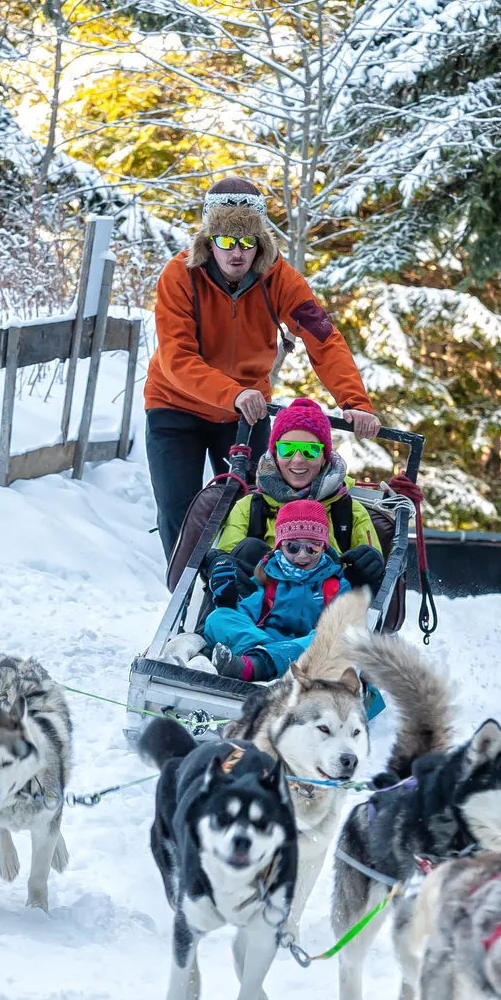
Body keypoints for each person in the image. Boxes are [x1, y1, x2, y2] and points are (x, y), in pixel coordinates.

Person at [144, 176, 381, 559]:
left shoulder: (280, 279)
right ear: (209, 240)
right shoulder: (180, 275)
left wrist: (354, 401)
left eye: (246, 242)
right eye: (225, 241)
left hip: (247, 413)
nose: (236, 253)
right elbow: (177, 358)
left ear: (261, 242)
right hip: (176, 405)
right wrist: (233, 393)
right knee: (179, 509)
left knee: (254, 507)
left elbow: (322, 338)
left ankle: (248, 594)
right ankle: (187, 596)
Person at [205, 398, 385, 611]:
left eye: (310, 450)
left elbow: (376, 577)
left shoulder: (350, 511)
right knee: (247, 551)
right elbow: (228, 559)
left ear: (324, 457)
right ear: (275, 455)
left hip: (324, 614)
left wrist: (371, 566)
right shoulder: (250, 507)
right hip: (254, 611)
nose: (298, 459)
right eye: (287, 449)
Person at [199, 500, 351, 683]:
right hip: (262, 639)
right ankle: (261, 660)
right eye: (293, 547)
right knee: (219, 617)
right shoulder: (270, 576)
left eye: (313, 547)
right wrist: (227, 601)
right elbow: (247, 612)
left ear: (324, 547)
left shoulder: (335, 585)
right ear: (280, 546)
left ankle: (255, 665)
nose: (302, 555)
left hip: (304, 647)